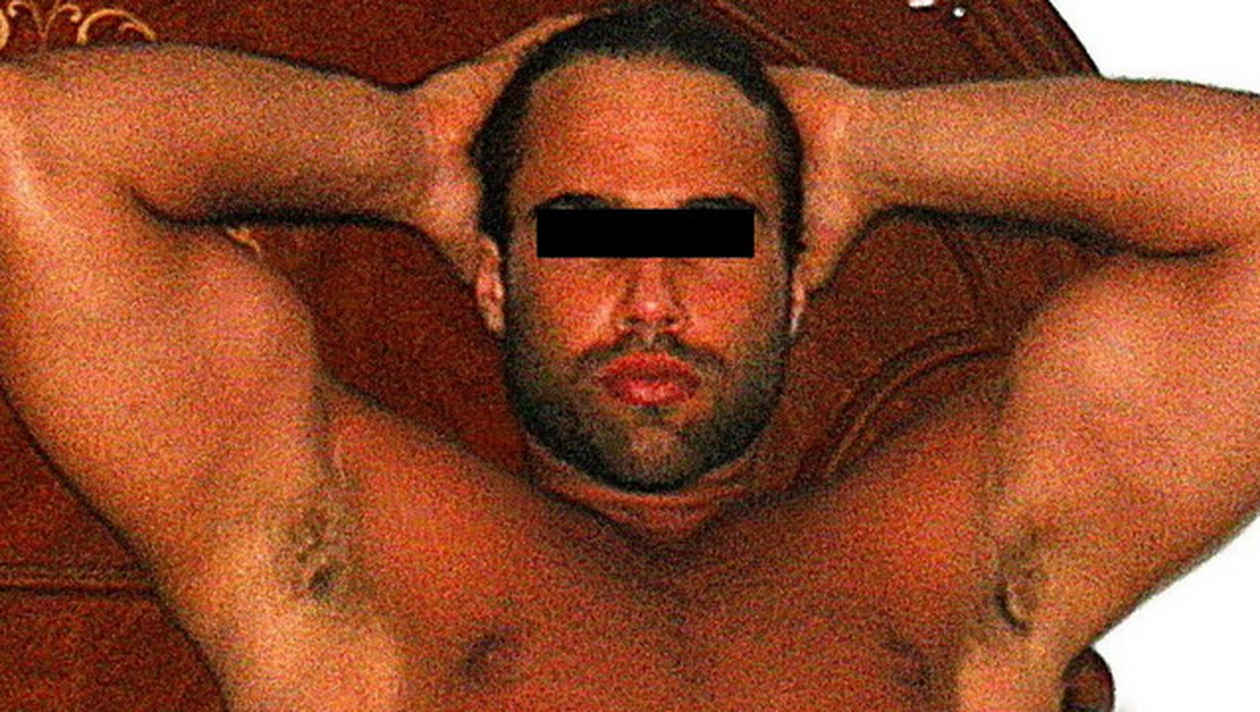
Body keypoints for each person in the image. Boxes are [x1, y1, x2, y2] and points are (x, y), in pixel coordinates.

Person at [0, 1, 1254, 709]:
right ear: (495, 279)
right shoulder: (341, 552)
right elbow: (31, 146)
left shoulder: (956, 559)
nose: (652, 300)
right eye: (585, 237)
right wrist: (408, 153)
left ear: (796, 281)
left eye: (714, 238)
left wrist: (868, 142)